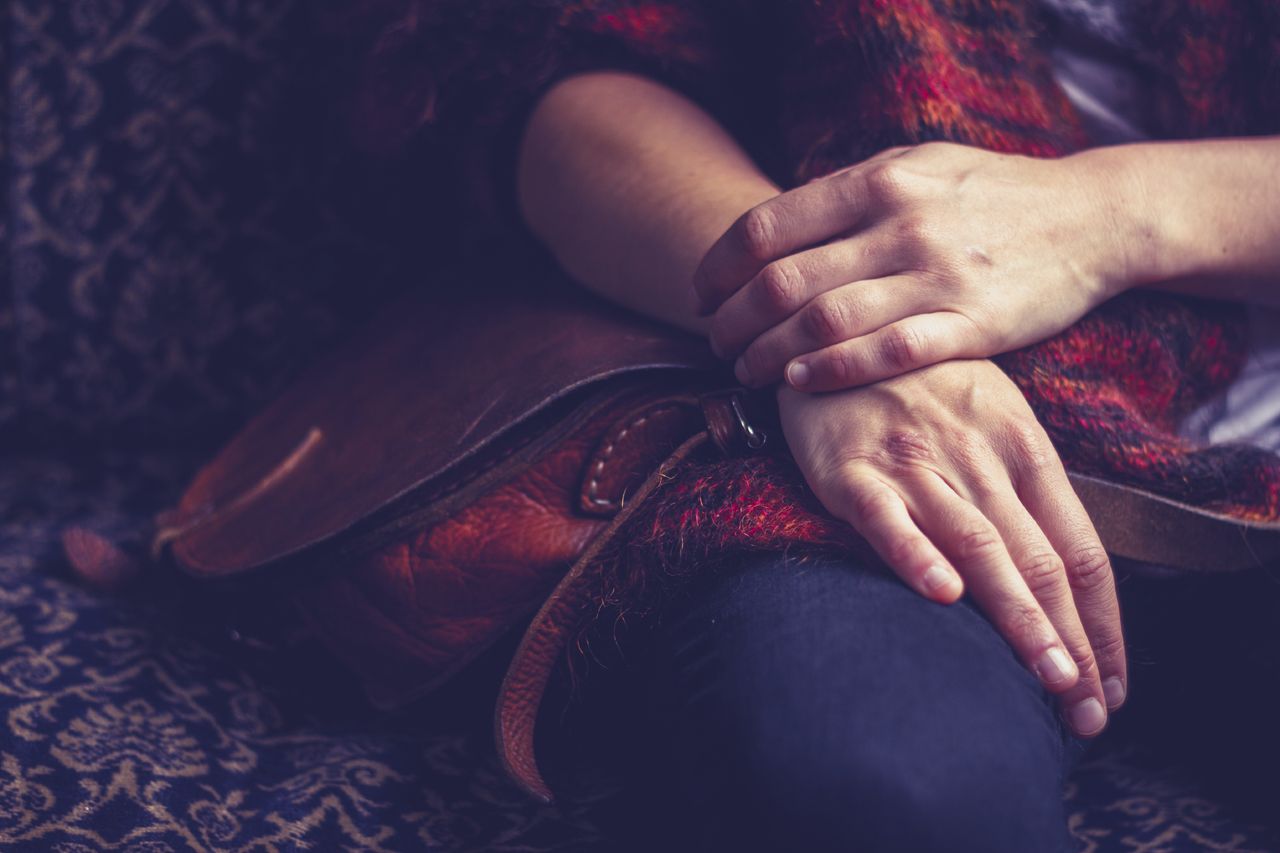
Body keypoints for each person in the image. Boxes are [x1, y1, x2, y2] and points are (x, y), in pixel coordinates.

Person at [355, 1, 1280, 850]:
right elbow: (534, 80)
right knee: (885, 791)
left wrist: (1106, 216)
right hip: (870, 442)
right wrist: (822, 322)